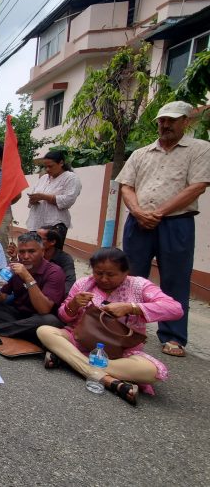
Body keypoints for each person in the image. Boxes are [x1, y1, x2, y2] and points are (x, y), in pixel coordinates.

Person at [116, 100, 210, 358]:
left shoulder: (199, 149)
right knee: (132, 276)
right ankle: (128, 326)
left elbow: (197, 186)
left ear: (186, 121)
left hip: (176, 222)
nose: (165, 124)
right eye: (162, 120)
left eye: (172, 120)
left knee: (175, 277)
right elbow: (126, 186)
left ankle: (173, 336)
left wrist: (158, 213)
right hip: (138, 221)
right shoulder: (141, 153)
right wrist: (137, 211)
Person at [37, 247, 184, 406]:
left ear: (125, 272)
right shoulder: (83, 284)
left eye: (111, 274)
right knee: (44, 331)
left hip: (120, 352)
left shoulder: (139, 286)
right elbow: (63, 316)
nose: (104, 279)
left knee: (152, 371)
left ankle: (72, 361)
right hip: (80, 341)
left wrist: (131, 307)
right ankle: (107, 379)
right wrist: (73, 305)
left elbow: (175, 309)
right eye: (98, 273)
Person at [0, 231, 65, 341]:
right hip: (18, 315)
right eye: (22, 252)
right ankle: (22, 331)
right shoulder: (13, 268)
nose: (26, 256)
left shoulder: (54, 272)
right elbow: (0, 300)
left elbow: (43, 310)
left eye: (31, 251)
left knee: (50, 321)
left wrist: (27, 277)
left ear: (42, 252)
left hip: (40, 318)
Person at [26, 150, 82, 241]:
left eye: (50, 166)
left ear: (61, 163)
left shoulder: (71, 178)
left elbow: (68, 200)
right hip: (36, 224)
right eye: (45, 167)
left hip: (55, 225)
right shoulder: (44, 178)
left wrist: (44, 197)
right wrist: (33, 199)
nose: (47, 169)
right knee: (35, 253)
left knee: (52, 254)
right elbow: (34, 195)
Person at [37, 226, 76, 293]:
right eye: (35, 237)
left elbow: (70, 283)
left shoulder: (65, 259)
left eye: (39, 239)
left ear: (52, 242)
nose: (35, 241)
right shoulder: (34, 254)